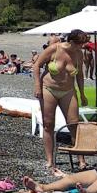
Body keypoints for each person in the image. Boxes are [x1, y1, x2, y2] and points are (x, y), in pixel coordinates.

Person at [34, 30, 87, 177]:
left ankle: (80, 159)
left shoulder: (79, 54)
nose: (81, 47)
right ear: (71, 42)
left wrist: (82, 93)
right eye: (80, 45)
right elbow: (37, 65)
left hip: (68, 91)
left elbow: (80, 75)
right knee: (48, 124)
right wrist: (37, 86)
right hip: (48, 89)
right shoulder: (54, 49)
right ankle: (50, 160)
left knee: (74, 124)